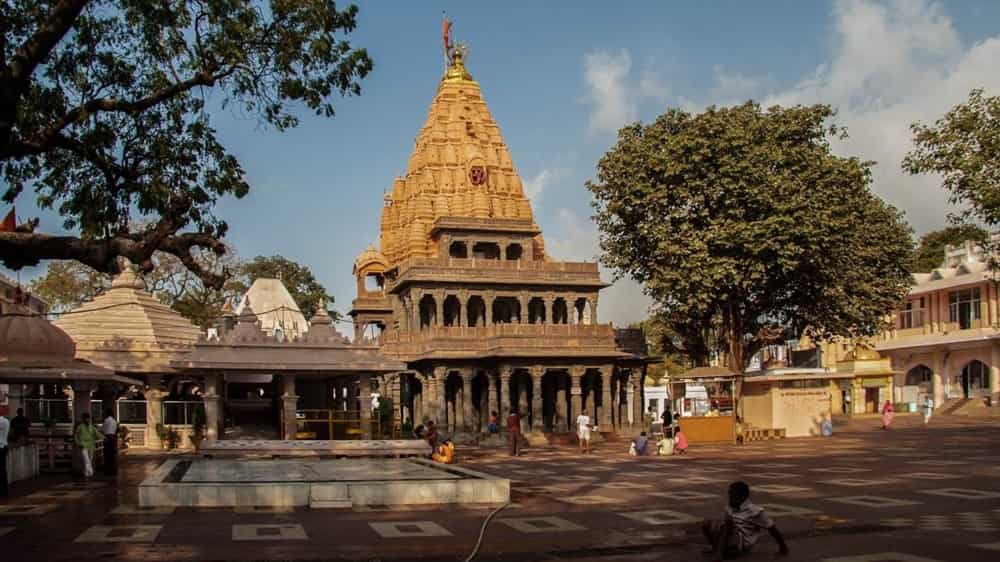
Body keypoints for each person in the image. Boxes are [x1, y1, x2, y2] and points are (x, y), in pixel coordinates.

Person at [702, 481, 789, 561]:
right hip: (729, 538)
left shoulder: (755, 511)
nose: (730, 496)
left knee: (728, 523)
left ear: (742, 497)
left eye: (732, 494)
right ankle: (717, 548)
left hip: (741, 544)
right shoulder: (730, 506)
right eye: (729, 493)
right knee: (707, 523)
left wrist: (783, 547)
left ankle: (718, 554)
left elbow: (772, 528)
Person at [74, 412, 100, 480]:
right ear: (83, 419)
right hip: (83, 445)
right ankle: (90, 473)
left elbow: (97, 434)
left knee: (90, 460)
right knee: (86, 459)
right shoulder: (80, 427)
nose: (87, 420)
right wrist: (78, 443)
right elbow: (76, 436)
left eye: (88, 419)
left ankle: (86, 473)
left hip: (91, 445)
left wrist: (104, 437)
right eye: (86, 419)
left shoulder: (92, 427)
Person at [101, 408, 118, 476]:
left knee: (107, 455)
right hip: (113, 437)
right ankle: (113, 470)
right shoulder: (114, 421)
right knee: (112, 455)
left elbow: (103, 430)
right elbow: (115, 429)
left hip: (107, 437)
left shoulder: (106, 420)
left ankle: (108, 471)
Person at [0, 412, 9, 497]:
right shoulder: (6, 420)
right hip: (4, 446)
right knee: (2, 470)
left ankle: (3, 491)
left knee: (1, 471)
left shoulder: (2, 422)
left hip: (1, 447)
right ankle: (4, 491)